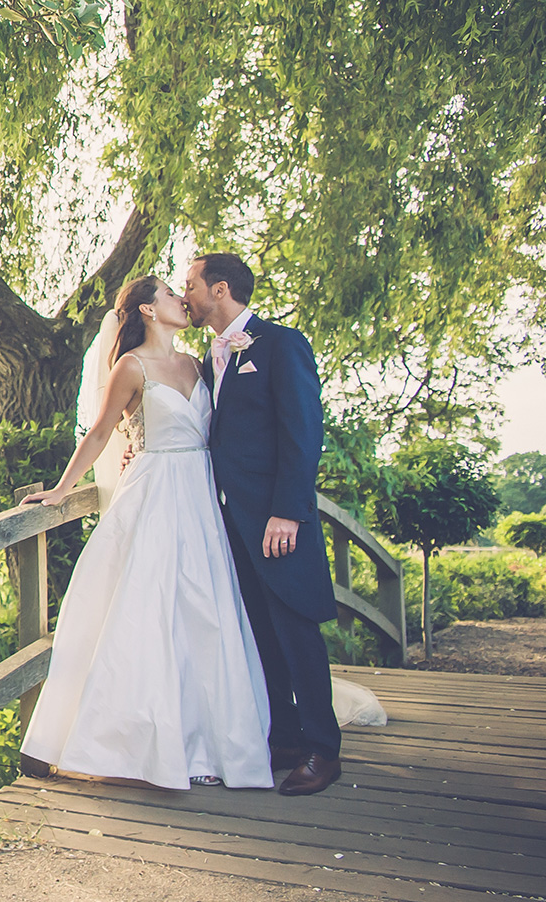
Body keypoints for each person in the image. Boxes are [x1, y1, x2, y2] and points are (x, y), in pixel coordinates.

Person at [17, 275, 274, 791]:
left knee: (205, 612)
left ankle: (206, 744)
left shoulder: (198, 365)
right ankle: (137, 745)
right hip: (155, 495)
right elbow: (100, 432)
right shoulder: (130, 367)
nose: (183, 299)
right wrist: (62, 490)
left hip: (200, 498)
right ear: (148, 310)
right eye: (170, 294)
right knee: (148, 610)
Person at [180, 251, 342, 795]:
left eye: (192, 285)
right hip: (229, 521)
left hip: (277, 521)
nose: (186, 296)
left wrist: (289, 511)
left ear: (220, 289)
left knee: (296, 629)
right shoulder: (209, 358)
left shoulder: (280, 345)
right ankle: (287, 738)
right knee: (259, 632)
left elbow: (304, 432)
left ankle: (324, 749)